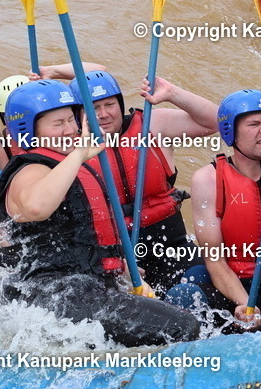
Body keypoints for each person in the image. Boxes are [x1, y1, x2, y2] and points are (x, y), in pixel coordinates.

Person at [0, 79, 200, 347]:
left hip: (87, 288)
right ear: (28, 130)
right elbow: (35, 207)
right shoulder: (29, 168)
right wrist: (78, 154)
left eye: (72, 120)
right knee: (182, 327)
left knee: (176, 316)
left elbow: (93, 234)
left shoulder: (76, 165)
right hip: (52, 293)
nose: (70, 129)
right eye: (58, 124)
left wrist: (128, 274)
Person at [68, 70, 217, 294]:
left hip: (172, 246)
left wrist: (172, 93)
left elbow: (216, 122)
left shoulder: (154, 126)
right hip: (116, 257)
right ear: (78, 114)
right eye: (94, 108)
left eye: (110, 104)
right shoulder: (70, 149)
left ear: (120, 103)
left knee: (201, 287)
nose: (104, 114)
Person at [188, 89, 261, 331]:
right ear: (230, 131)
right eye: (254, 124)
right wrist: (244, 303)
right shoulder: (208, 180)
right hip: (241, 284)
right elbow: (214, 260)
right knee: (186, 292)